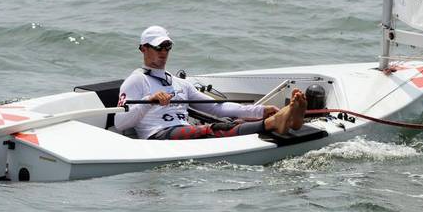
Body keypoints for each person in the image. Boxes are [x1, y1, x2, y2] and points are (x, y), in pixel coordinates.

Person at [115, 25, 306, 140]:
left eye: (167, 47)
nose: (163, 52)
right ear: (143, 49)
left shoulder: (180, 84)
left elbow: (216, 107)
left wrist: (260, 110)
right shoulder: (135, 81)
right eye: (158, 47)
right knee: (209, 129)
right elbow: (120, 123)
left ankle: (283, 120)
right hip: (157, 136)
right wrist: (150, 101)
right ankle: (276, 123)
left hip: (184, 132)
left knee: (229, 121)